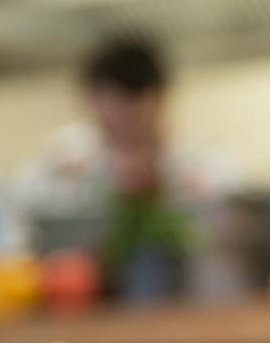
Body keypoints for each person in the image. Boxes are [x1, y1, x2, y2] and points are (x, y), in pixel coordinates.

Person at [16, 36, 240, 229]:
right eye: (105, 107)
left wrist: (170, 188)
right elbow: (23, 209)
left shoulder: (202, 163)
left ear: (159, 99)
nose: (117, 117)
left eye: (130, 110)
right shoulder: (64, 158)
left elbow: (235, 215)